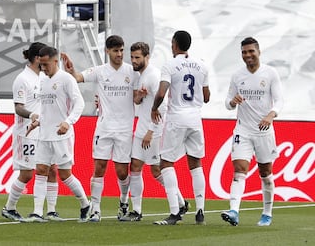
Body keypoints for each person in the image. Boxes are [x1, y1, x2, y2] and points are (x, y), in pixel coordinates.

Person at [62, 35, 139, 222]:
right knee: (100, 168)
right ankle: (95, 209)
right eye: (115, 51)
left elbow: (138, 97)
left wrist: (142, 97)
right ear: (107, 51)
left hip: (124, 129)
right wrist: (71, 71)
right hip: (104, 128)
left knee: (122, 171)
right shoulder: (100, 71)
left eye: (121, 50)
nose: (119, 54)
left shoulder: (133, 72)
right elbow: (78, 78)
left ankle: (123, 202)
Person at [119, 42, 189, 222]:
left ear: (147, 57)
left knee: (157, 171)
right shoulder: (140, 76)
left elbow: (163, 106)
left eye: (137, 57)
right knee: (135, 167)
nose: (133, 61)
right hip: (141, 128)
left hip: (153, 131)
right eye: (132, 57)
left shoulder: (154, 76)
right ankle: (137, 211)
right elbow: (141, 102)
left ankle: (180, 203)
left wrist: (151, 131)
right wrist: (139, 97)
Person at [23, 46, 91, 223]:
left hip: (62, 135)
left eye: (46, 64)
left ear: (55, 61)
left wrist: (68, 123)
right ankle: (38, 212)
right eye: (41, 65)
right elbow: (46, 108)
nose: (43, 68)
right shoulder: (43, 80)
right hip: (44, 133)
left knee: (64, 174)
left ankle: (85, 204)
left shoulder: (67, 79)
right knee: (41, 170)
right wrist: (38, 122)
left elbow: (80, 104)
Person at [221, 37, 284, 227]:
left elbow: (280, 100)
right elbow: (227, 102)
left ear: (258, 52)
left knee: (265, 173)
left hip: (264, 131)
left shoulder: (270, 73)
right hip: (243, 130)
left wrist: (271, 115)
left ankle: (267, 213)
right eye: (244, 52)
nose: (247, 55)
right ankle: (234, 211)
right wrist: (232, 102)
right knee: (239, 170)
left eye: (250, 51)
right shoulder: (237, 75)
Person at [151, 30, 210, 225]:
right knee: (196, 164)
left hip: (177, 117)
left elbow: (161, 92)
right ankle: (200, 210)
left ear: (174, 44)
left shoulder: (170, 65)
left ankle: (175, 213)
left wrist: (154, 107)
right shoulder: (202, 65)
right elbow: (207, 96)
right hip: (195, 119)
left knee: (166, 163)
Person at [1, 42, 61, 222]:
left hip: (44, 132)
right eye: (43, 59)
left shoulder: (44, 78)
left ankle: (51, 211)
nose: (46, 63)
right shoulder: (22, 79)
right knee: (27, 173)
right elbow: (18, 108)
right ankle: (9, 207)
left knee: (52, 169)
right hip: (26, 133)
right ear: (36, 58)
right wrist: (32, 114)